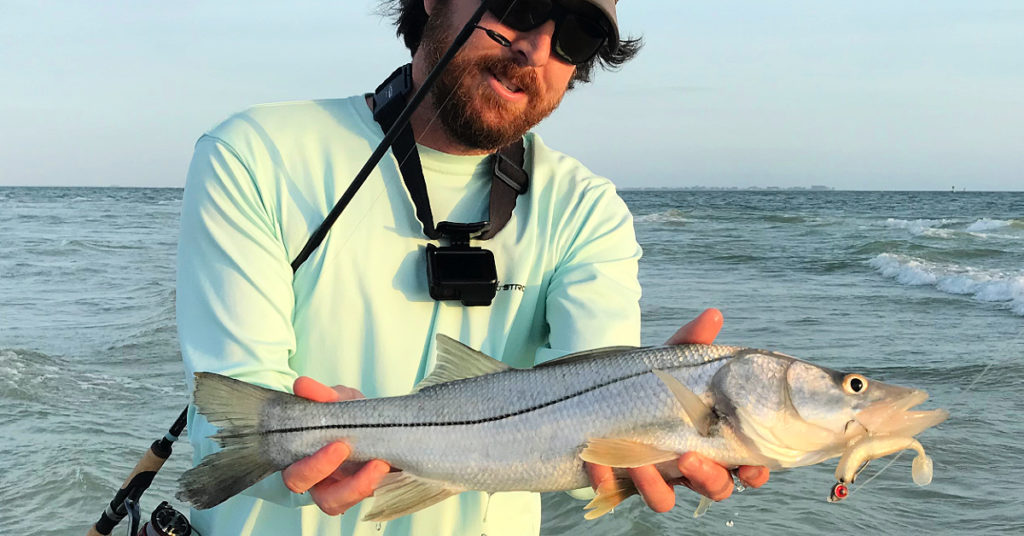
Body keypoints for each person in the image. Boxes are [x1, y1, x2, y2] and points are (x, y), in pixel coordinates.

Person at [176, 0, 769, 534]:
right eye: (522, 6)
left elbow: (586, 435)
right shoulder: (256, 154)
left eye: (577, 35)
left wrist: (660, 419)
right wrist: (308, 453)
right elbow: (227, 421)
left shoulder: (588, 208)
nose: (537, 48)